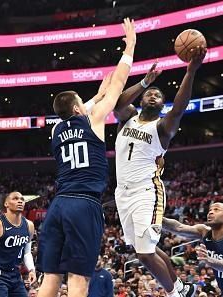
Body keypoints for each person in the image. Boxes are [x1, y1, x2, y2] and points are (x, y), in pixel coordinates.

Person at [36, 18, 137, 297]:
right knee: (79, 280)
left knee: (51, 280)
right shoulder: (93, 119)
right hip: (84, 204)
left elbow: (73, 110)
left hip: (58, 205)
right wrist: (130, 47)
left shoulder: (56, 130)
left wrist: (96, 95)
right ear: (80, 107)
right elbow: (119, 82)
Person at [113, 45, 207, 297]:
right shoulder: (127, 117)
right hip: (122, 194)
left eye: (158, 95)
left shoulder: (162, 127)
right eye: (149, 94)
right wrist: (144, 82)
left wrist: (191, 71)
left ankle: (175, 294)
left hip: (146, 191)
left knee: (144, 254)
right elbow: (117, 104)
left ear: (162, 104)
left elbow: (179, 108)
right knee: (145, 250)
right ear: (142, 99)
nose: (153, 96)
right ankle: (182, 289)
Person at [162, 202, 223, 297]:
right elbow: (178, 228)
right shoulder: (204, 231)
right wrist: (157, 219)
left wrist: (208, 259)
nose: (210, 212)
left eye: (216, 209)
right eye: (210, 210)